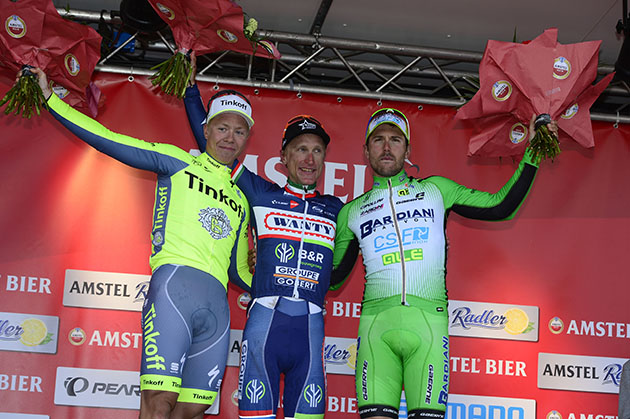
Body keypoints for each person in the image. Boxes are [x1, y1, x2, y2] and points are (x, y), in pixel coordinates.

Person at [32, 68, 253, 419]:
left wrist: (285, 287)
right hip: (173, 290)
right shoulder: (178, 161)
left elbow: (239, 270)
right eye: (222, 127)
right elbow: (109, 139)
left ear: (246, 139)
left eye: (239, 131)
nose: (230, 138)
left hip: (217, 306)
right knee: (158, 402)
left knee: (193, 408)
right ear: (206, 129)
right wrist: (50, 99)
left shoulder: (241, 200)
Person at [331, 108, 558, 419]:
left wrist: (532, 150)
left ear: (408, 150)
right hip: (375, 330)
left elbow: (500, 206)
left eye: (395, 140)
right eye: (378, 140)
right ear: (365, 150)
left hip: (429, 327)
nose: (386, 148)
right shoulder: (351, 212)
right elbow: (333, 278)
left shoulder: (435, 190)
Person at [184, 83, 343, 419]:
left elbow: (350, 256)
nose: (309, 159)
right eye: (300, 149)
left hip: (311, 331)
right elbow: (213, 146)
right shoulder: (262, 194)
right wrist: (190, 92)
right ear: (283, 157)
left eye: (317, 150)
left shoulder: (336, 209)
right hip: (264, 324)